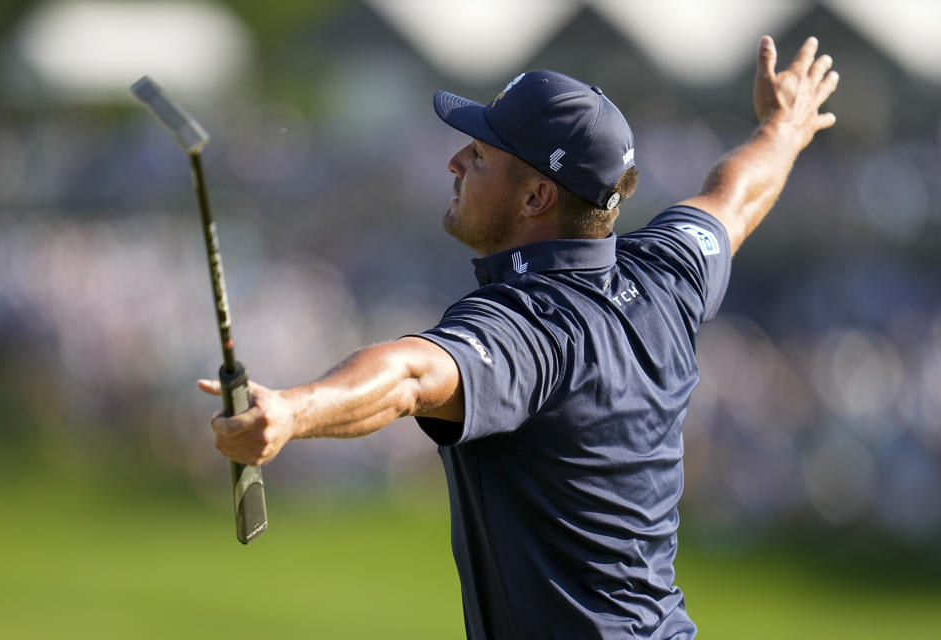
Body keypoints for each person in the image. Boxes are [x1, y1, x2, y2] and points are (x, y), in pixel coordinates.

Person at [198, 35, 838, 639]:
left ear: (536, 195)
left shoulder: (535, 325)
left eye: (478, 156)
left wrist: (293, 411)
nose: (455, 162)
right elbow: (735, 197)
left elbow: (411, 375)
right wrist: (783, 127)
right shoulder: (666, 273)